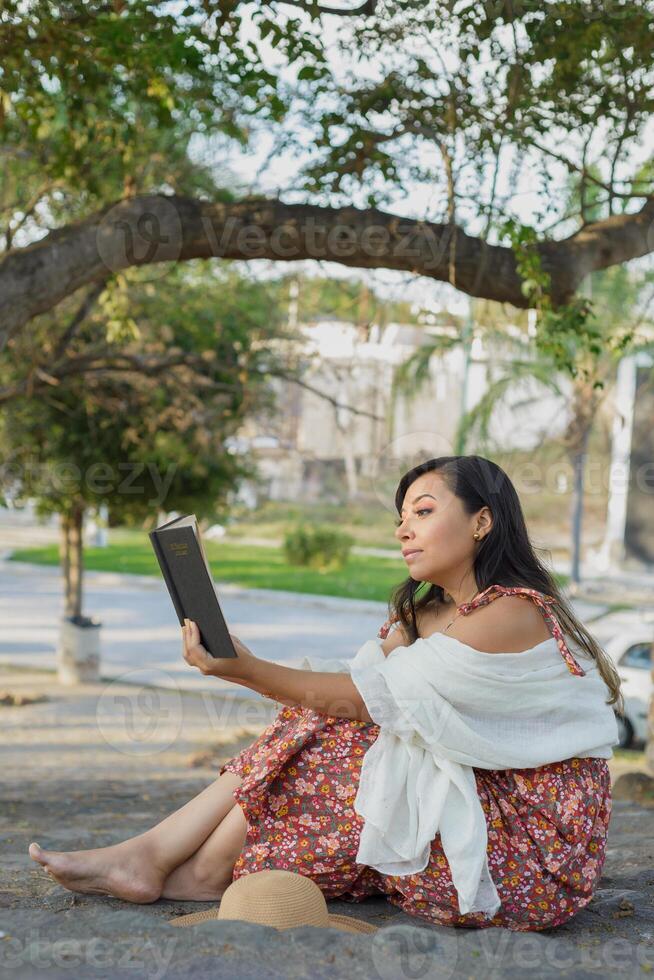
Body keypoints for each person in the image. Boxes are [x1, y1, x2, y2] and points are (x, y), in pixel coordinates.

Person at [28, 454, 622, 931]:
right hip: (460, 819)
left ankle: (170, 860)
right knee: (330, 720)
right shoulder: (429, 615)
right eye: (400, 517)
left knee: (344, 724)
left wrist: (245, 667)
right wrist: (247, 667)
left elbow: (366, 701)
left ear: (482, 521)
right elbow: (370, 691)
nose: (403, 529)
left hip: (527, 856)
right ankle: (173, 862)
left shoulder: (513, 610)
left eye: (423, 510)